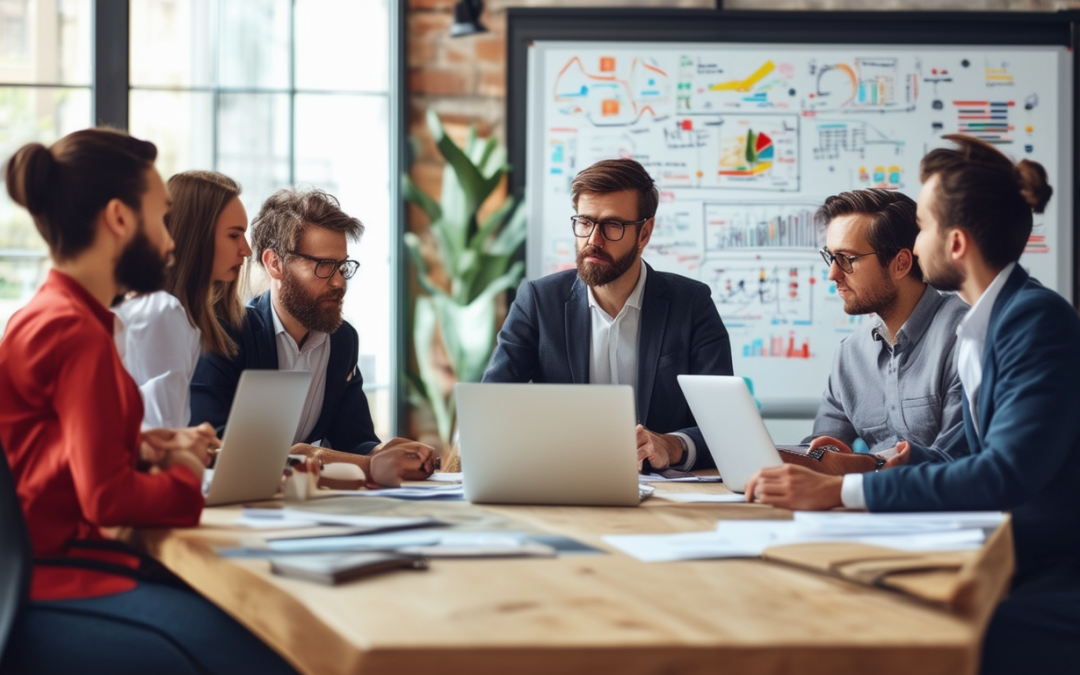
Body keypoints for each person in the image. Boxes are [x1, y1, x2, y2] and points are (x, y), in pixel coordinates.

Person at [744, 135, 1080, 674]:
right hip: (1001, 555)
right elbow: (962, 457)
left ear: (955, 244)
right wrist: (883, 463)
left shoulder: (1033, 320)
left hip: (1044, 569)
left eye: (922, 225)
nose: (914, 243)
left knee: (881, 634)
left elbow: (1004, 473)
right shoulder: (987, 325)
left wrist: (843, 487)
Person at [0, 128, 296, 674]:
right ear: (119, 218)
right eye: (161, 219)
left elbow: (41, 454)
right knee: (273, 648)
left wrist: (140, 445)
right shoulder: (77, 333)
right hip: (58, 579)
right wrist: (185, 468)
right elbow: (107, 502)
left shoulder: (45, 314)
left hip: (36, 574)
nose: (170, 241)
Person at [483, 158, 733, 471]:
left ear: (644, 234)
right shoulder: (538, 301)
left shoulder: (691, 303)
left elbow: (725, 426)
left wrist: (671, 445)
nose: (593, 241)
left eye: (612, 225)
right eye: (585, 223)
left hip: (663, 497)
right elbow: (492, 409)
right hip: (563, 484)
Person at [190, 187, 436, 486]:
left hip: (302, 504)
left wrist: (387, 450)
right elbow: (214, 447)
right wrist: (317, 456)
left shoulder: (343, 340)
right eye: (323, 266)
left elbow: (353, 440)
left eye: (342, 266)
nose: (338, 282)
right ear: (274, 264)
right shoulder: (226, 333)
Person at [811, 188, 967, 454]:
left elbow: (955, 460)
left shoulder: (964, 336)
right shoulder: (850, 354)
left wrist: (863, 467)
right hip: (867, 494)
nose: (832, 274)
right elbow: (820, 449)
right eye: (830, 257)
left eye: (846, 259)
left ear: (901, 264)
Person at [115, 170, 250, 429]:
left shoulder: (165, 311)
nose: (246, 249)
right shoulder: (165, 312)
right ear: (197, 236)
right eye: (234, 235)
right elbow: (164, 439)